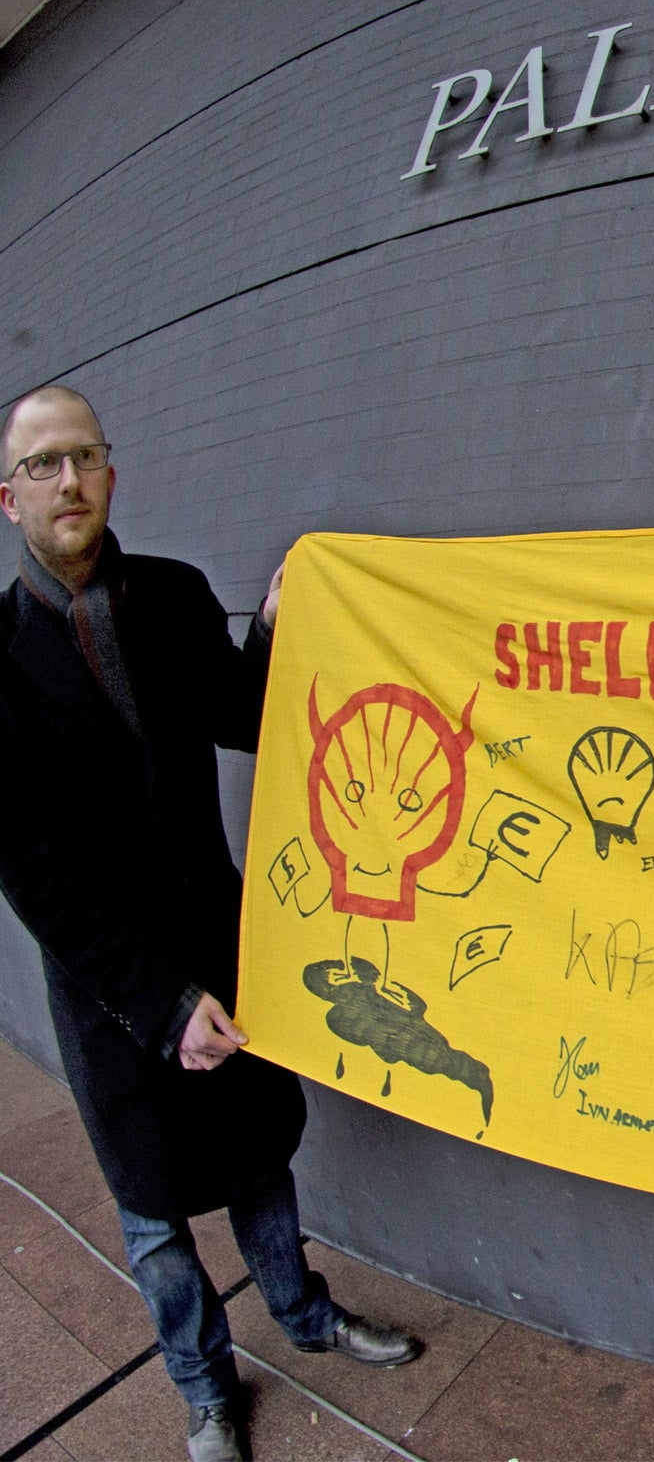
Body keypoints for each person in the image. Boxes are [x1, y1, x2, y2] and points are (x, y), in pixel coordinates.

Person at [0, 386, 423, 1462]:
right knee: (151, 1209)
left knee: (254, 1158)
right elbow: (35, 876)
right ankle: (204, 1388)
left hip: (220, 941)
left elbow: (247, 716)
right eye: (43, 466)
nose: (69, 482)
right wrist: (159, 1005)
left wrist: (279, 625)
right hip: (112, 991)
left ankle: (306, 1315)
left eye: (84, 457)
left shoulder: (176, 596)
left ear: (111, 472)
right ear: (10, 500)